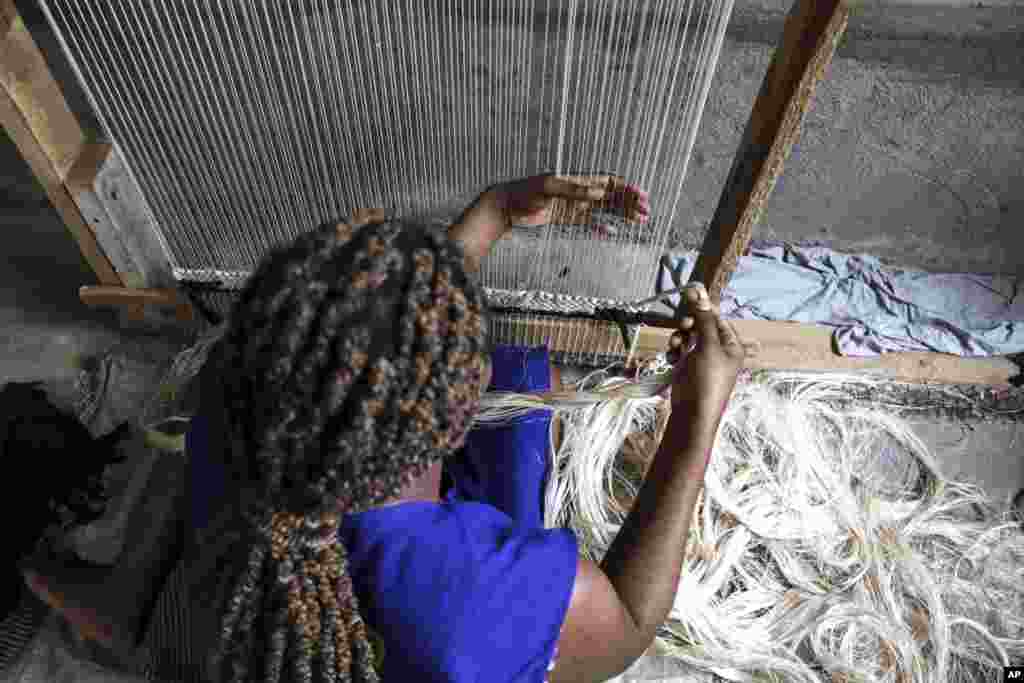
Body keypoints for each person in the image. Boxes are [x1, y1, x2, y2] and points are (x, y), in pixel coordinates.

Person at [24, 173, 746, 683]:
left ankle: (34, 565)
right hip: (400, 626)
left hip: (213, 630)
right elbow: (625, 627)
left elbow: (375, 355)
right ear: (453, 419)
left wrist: (492, 212)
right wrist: (696, 419)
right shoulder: (466, 604)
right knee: (530, 386)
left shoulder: (232, 403)